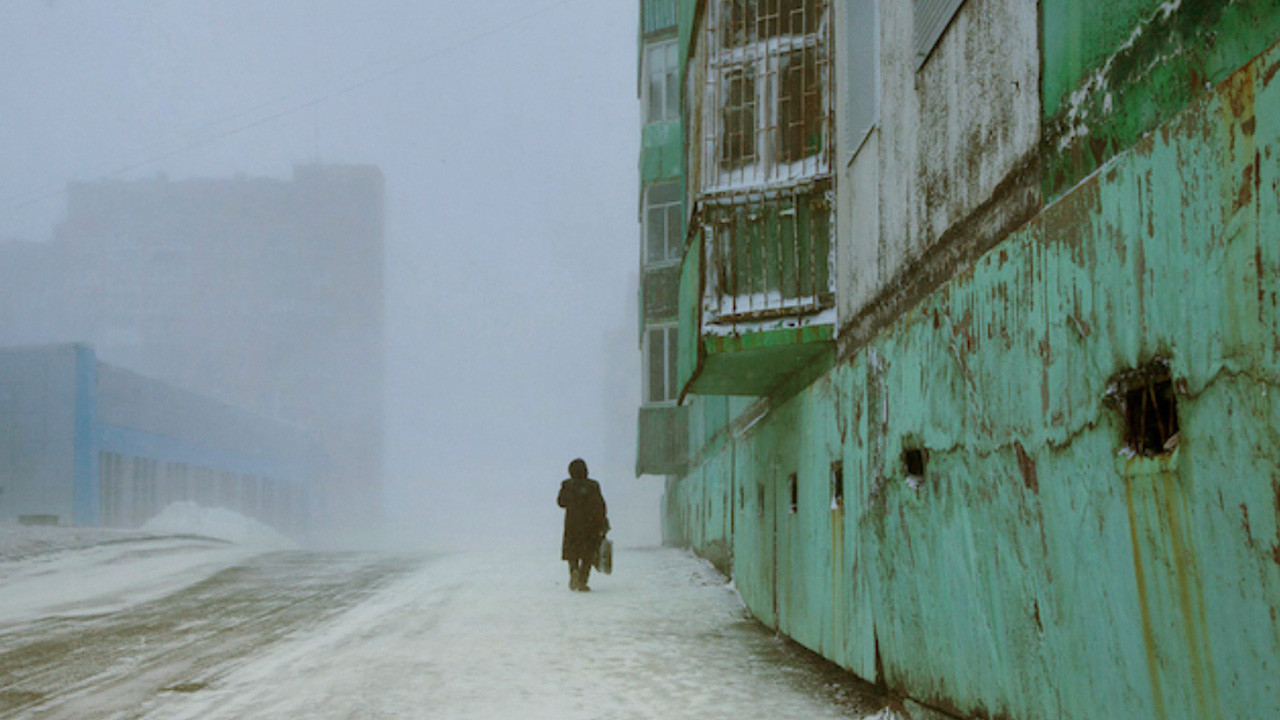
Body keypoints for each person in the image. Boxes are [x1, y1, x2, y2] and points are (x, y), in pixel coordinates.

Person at [557, 458, 609, 592]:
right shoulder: (593, 485)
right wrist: (603, 522)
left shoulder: (567, 485)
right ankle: (582, 582)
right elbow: (600, 505)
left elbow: (561, 503)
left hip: (572, 524)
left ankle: (574, 570)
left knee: (573, 552)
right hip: (590, 524)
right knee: (588, 554)